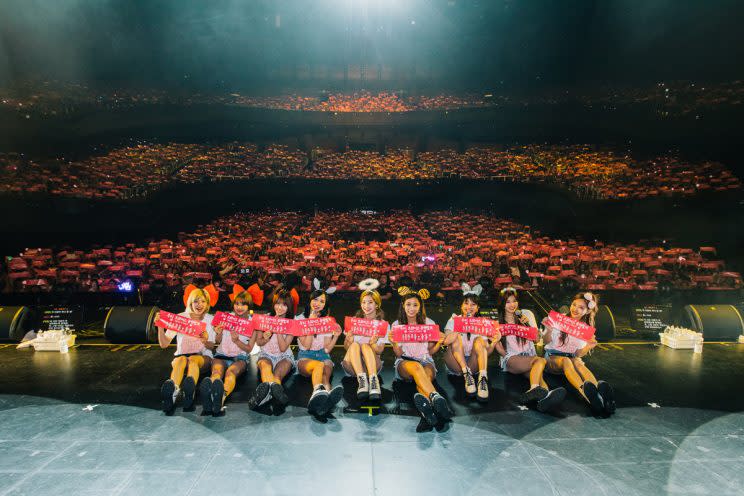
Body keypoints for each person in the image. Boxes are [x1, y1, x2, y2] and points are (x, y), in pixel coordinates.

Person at [389, 286, 453, 427]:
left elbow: (430, 351)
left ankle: (427, 410)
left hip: (426, 361)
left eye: (415, 305)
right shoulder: (396, 325)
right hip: (405, 363)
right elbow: (398, 354)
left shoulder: (428, 322)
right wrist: (394, 343)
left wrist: (439, 343)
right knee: (418, 369)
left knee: (425, 378)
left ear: (420, 307)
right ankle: (435, 396)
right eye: (408, 305)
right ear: (403, 306)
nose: (411, 308)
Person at [543, 292, 615, 416]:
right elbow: (546, 341)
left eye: (581, 307)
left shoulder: (584, 328)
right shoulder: (558, 319)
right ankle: (587, 394)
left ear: (587, 311)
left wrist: (589, 346)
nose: (575, 309)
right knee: (567, 361)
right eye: (574, 304)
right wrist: (548, 330)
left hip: (572, 359)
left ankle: (600, 395)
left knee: (578, 362)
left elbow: (578, 353)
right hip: (552, 359)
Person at [494, 288, 566, 411]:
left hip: (527, 356)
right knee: (540, 361)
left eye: (514, 301)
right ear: (502, 303)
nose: (512, 305)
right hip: (512, 358)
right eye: (508, 302)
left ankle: (545, 398)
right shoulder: (497, 322)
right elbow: (498, 346)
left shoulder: (525, 316)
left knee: (537, 375)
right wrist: (507, 357)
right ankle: (533, 389)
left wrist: (529, 326)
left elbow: (537, 340)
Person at [157, 284, 218, 414]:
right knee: (181, 360)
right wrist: (160, 327)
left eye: (203, 301)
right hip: (181, 357)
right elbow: (164, 344)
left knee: (193, 359)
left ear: (207, 303)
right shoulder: (180, 317)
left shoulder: (210, 319)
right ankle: (173, 392)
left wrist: (205, 340)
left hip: (202, 357)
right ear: (190, 302)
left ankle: (189, 392)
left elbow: (212, 346)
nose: (199, 304)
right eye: (196, 301)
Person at [201, 285, 258, 416]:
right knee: (216, 372)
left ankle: (220, 398)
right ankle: (210, 393)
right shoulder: (225, 317)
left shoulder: (252, 323)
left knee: (230, 373)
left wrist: (237, 340)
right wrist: (219, 333)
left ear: (249, 306)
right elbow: (218, 341)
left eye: (243, 304)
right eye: (237, 304)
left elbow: (249, 349)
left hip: (240, 358)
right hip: (221, 354)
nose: (239, 307)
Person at [442, 284, 501, 402]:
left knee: (479, 340)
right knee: (455, 337)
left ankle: (483, 378)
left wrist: (494, 342)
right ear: (461, 305)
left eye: (473, 304)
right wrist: (460, 326)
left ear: (478, 307)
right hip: (455, 362)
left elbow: (486, 352)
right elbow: (446, 341)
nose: (469, 307)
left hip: (474, 363)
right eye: (466, 303)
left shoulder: (482, 323)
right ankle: (466, 374)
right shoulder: (454, 319)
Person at [295, 281, 345, 416]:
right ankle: (317, 392)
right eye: (315, 299)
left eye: (322, 301)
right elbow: (306, 345)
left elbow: (327, 350)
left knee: (325, 377)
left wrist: (336, 337)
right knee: (319, 366)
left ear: (325, 305)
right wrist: (311, 323)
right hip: (305, 356)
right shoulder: (299, 319)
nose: (317, 303)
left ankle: (326, 399)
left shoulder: (327, 321)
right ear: (310, 300)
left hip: (323, 355)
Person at [341, 278, 387, 400]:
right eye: (364, 302)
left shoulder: (382, 324)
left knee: (366, 346)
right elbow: (347, 348)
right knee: (355, 345)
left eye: (370, 302)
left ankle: (373, 381)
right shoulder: (353, 321)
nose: (366, 306)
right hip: (353, 366)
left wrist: (373, 344)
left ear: (377, 304)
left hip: (372, 366)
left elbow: (380, 351)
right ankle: (362, 381)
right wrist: (348, 341)